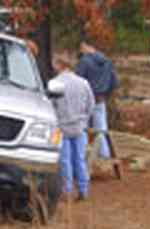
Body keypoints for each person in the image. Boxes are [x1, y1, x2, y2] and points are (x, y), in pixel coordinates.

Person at [49, 53, 95, 202]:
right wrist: (84, 120)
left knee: (64, 160)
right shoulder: (83, 83)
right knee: (80, 159)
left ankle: (66, 190)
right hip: (79, 127)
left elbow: (50, 106)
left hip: (60, 127)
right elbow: (91, 104)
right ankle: (83, 189)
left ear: (58, 65)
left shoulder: (54, 83)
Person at [74, 40, 118, 161]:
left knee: (82, 126)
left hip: (85, 100)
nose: (81, 50)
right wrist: (106, 93)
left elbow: (77, 81)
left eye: (81, 47)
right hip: (100, 99)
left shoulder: (84, 62)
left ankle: (81, 153)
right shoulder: (107, 62)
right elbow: (114, 82)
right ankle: (104, 153)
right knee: (101, 128)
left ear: (86, 46)